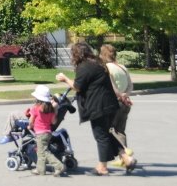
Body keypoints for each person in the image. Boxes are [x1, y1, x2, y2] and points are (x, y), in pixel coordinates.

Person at [57, 42, 135, 175]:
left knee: (101, 136)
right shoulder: (98, 63)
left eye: (73, 53)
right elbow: (108, 83)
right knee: (106, 133)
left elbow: (77, 86)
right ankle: (126, 158)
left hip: (98, 106)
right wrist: (121, 97)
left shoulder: (85, 66)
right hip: (109, 104)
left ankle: (102, 167)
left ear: (77, 54)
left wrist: (64, 79)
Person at [100, 43, 134, 164]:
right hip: (126, 103)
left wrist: (119, 95)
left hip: (115, 102)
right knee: (120, 130)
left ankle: (122, 154)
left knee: (108, 129)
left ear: (103, 55)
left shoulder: (106, 68)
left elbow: (112, 85)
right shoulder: (123, 67)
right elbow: (131, 85)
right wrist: (125, 95)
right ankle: (124, 157)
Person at [27, 84, 66, 176]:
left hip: (40, 134)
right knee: (40, 153)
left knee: (44, 152)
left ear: (38, 98)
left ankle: (59, 166)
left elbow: (31, 120)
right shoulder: (50, 109)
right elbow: (53, 122)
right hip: (48, 133)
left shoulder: (35, 108)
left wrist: (29, 126)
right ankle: (40, 170)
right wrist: (55, 112)